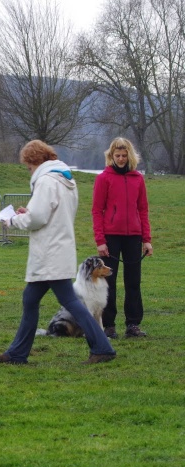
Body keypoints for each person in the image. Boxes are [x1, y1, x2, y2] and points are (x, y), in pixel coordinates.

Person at [0, 140, 116, 365]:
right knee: (31, 299)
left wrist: (13, 220)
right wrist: (28, 212)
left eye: (28, 166)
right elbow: (49, 213)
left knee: (70, 302)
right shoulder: (65, 179)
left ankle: (102, 347)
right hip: (60, 248)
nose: (28, 170)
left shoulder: (46, 181)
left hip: (49, 253)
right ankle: (17, 353)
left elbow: (38, 218)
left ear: (34, 161)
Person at [91, 137, 152, 338]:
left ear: (130, 156)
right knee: (109, 281)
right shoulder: (103, 178)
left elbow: (143, 209)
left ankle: (133, 324)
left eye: (124, 156)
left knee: (133, 281)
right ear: (111, 156)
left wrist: (147, 239)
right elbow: (97, 210)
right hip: (111, 236)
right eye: (117, 155)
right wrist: (100, 241)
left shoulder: (138, 179)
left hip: (133, 236)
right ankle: (109, 325)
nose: (120, 159)